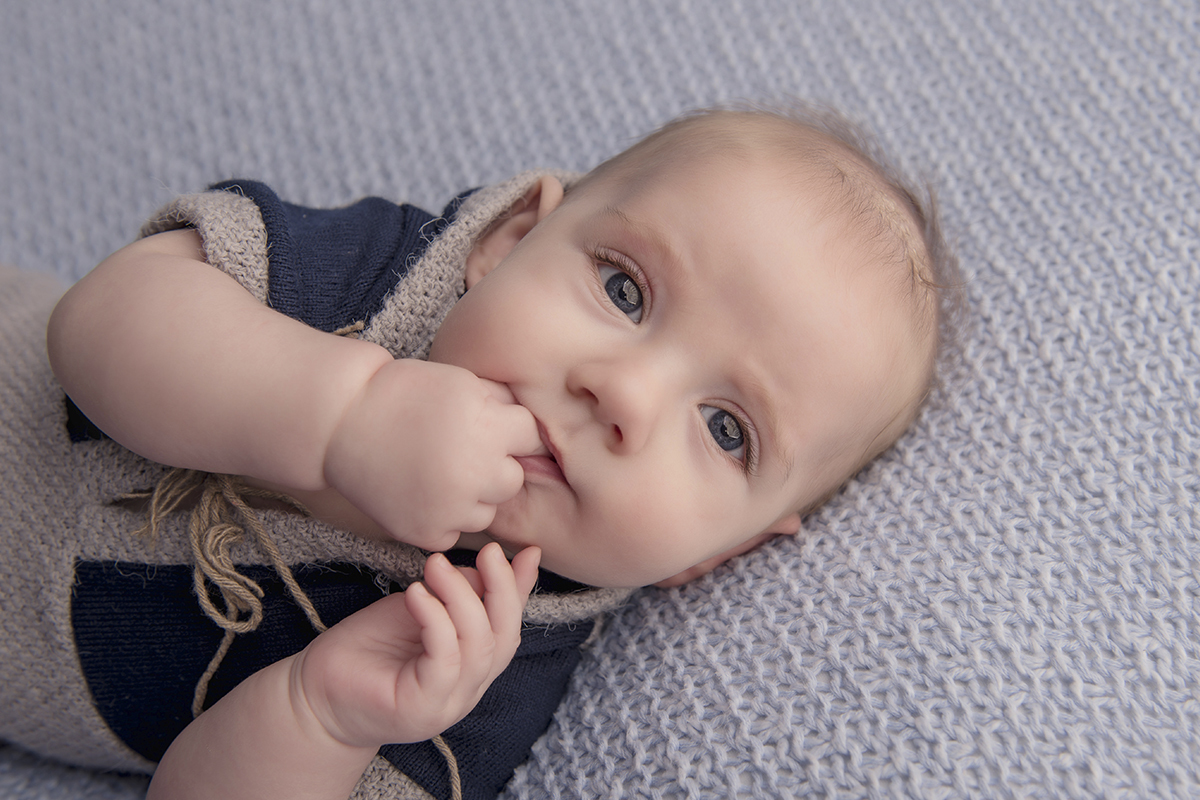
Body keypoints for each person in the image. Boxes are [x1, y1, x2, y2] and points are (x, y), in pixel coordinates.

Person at [32, 106, 953, 800]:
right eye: (625, 290)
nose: (624, 394)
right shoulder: (383, 277)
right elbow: (102, 321)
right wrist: (344, 415)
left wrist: (320, 714)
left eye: (726, 430)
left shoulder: (477, 681)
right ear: (512, 237)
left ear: (721, 553)